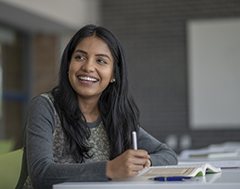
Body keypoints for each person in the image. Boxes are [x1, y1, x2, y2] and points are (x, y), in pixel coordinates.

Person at [16, 24, 178, 189]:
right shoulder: (45, 107)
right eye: (80, 57)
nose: (88, 67)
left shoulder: (115, 116)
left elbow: (168, 155)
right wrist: (110, 169)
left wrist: (144, 162)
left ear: (114, 74)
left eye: (100, 61)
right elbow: (41, 173)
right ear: (68, 64)